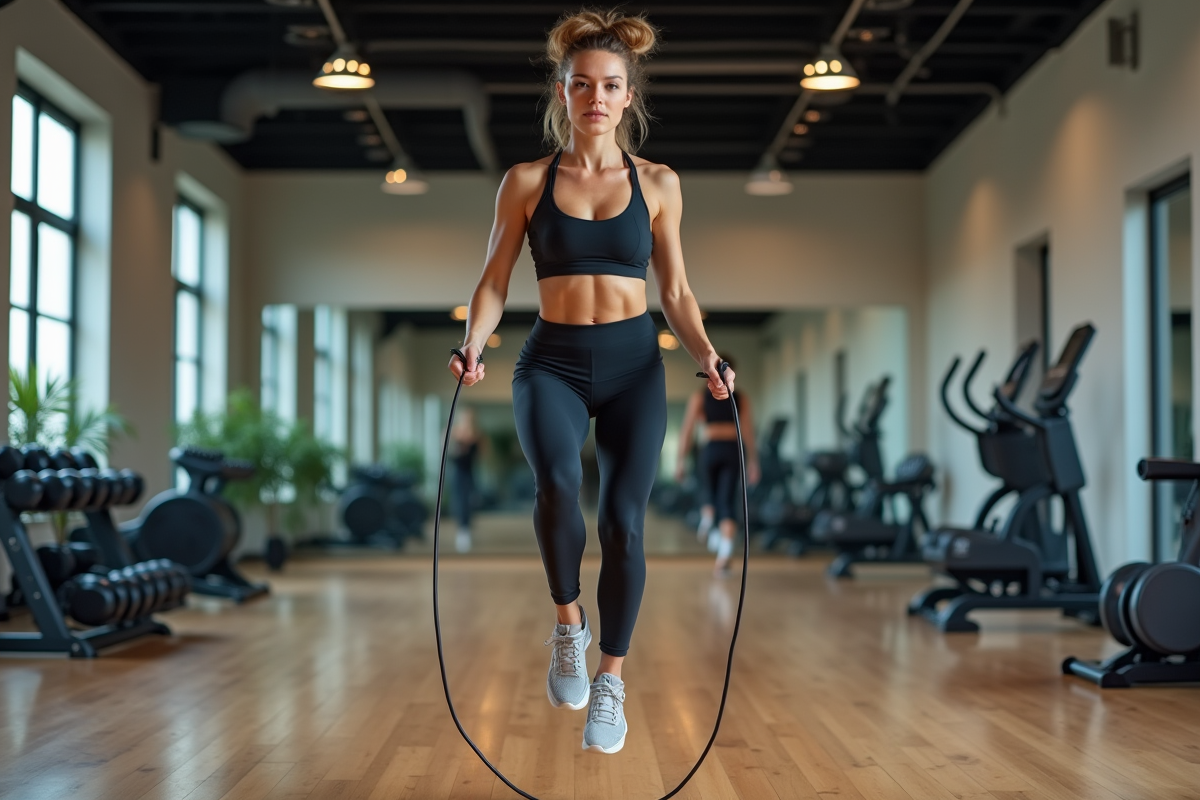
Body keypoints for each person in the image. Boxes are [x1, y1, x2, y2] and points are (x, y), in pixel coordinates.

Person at [448, 8, 733, 755]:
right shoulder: (526, 181)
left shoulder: (661, 184)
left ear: (628, 95)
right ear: (563, 91)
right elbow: (492, 282)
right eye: (582, 84)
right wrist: (472, 342)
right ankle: (569, 626)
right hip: (552, 361)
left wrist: (706, 354)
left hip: (637, 365)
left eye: (610, 85)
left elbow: (676, 292)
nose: (596, 97)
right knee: (552, 485)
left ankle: (611, 679)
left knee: (624, 524)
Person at [675, 358, 760, 573]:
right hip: (732, 450)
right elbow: (748, 431)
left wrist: (680, 461)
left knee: (711, 497)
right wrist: (753, 461)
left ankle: (708, 520)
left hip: (711, 448)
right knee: (726, 502)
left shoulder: (700, 397)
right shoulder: (739, 397)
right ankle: (722, 556)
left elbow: (687, 431)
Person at [449, 406, 482, 553]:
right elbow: (448, 452)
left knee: (470, 500)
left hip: (470, 471)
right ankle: (462, 530)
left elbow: (481, 453)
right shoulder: (454, 432)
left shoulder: (477, 434)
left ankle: (466, 528)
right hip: (458, 472)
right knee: (460, 500)